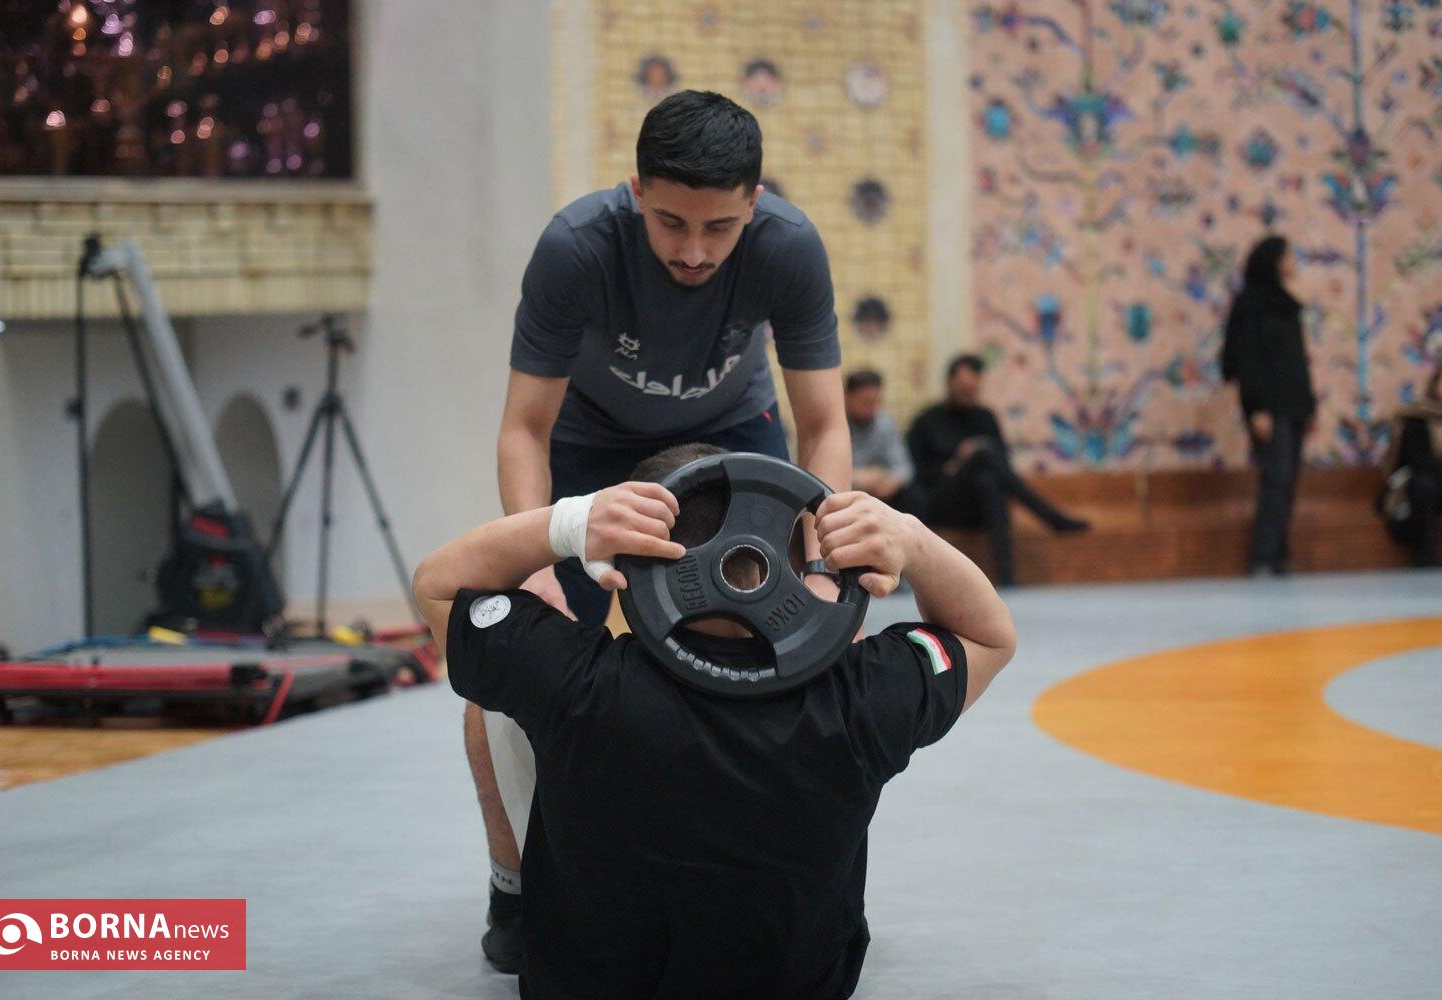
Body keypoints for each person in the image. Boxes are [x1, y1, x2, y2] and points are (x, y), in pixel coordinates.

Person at [413, 444, 1016, 999]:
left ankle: (510, 893)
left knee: (496, 703)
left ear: (627, 567)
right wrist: (911, 539)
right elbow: (988, 636)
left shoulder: (575, 681)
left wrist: (569, 523)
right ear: (788, 563)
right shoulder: (859, 695)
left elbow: (437, 585)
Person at [472, 89, 851, 971]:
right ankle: (512, 883)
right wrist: (535, 564)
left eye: (720, 227)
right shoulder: (576, 248)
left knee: (780, 662)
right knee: (504, 667)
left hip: (734, 437)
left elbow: (824, 424)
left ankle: (759, 882)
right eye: (671, 222)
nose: (693, 251)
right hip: (588, 447)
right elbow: (523, 429)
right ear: (635, 190)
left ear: (755, 203)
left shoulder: (789, 247)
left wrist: (826, 565)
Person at [906, 355, 1089, 587]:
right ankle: (1052, 519)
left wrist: (975, 454)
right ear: (949, 382)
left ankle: (1006, 576)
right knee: (985, 453)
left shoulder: (985, 417)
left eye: (973, 390)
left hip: (979, 507)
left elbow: (1002, 467)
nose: (968, 394)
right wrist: (956, 464)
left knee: (988, 480)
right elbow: (916, 475)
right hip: (942, 504)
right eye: (963, 388)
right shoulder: (926, 421)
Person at [1220, 234, 1315, 576]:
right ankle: (1261, 557)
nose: (1292, 262)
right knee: (1275, 478)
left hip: (1294, 405)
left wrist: (1309, 405)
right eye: (1287, 256)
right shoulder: (1250, 305)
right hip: (1269, 407)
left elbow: (1296, 362)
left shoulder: (1286, 305)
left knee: (1288, 481)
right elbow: (1246, 361)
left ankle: (1278, 557)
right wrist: (1256, 407)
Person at [1377, 361, 1442, 566]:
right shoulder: (1418, 417)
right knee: (1424, 486)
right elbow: (1415, 459)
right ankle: (1426, 557)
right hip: (1428, 486)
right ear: (1437, 385)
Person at [844, 369, 922, 513]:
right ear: (847, 397)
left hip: (879, 491)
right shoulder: (834, 425)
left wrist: (891, 482)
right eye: (865, 401)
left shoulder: (884, 423)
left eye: (876, 401)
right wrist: (856, 477)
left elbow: (904, 468)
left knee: (914, 497)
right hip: (844, 489)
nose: (871, 407)